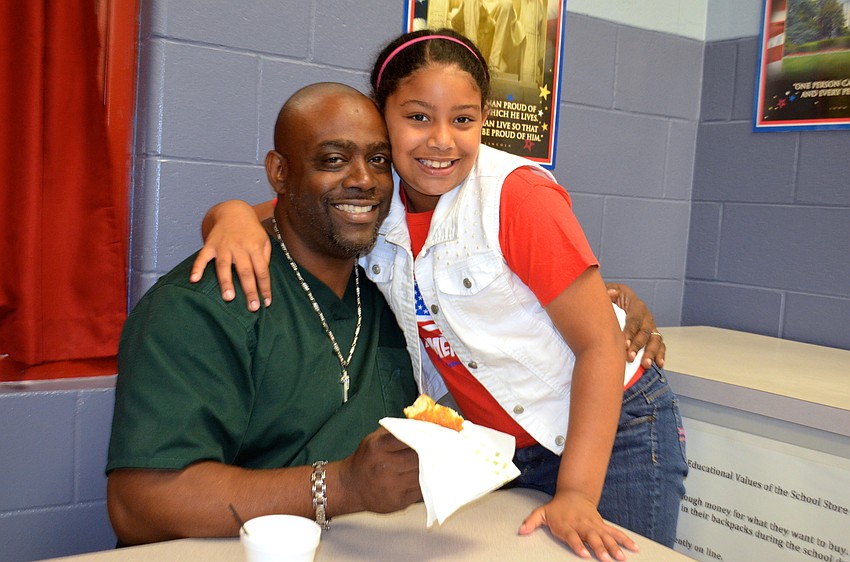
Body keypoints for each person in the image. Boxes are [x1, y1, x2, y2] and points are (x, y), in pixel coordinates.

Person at [195, 30, 687, 562]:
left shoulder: (517, 196)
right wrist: (229, 215)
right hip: (503, 447)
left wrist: (576, 494)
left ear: (483, 121)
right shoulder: (373, 203)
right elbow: (275, 212)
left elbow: (598, 345)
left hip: (613, 436)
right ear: (381, 116)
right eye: (418, 117)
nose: (442, 141)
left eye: (463, 119)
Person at [106, 83, 423, 546]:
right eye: (333, 159)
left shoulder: (390, 292)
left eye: (378, 160)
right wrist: (343, 485)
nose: (364, 179)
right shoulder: (203, 304)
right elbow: (139, 504)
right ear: (279, 172)